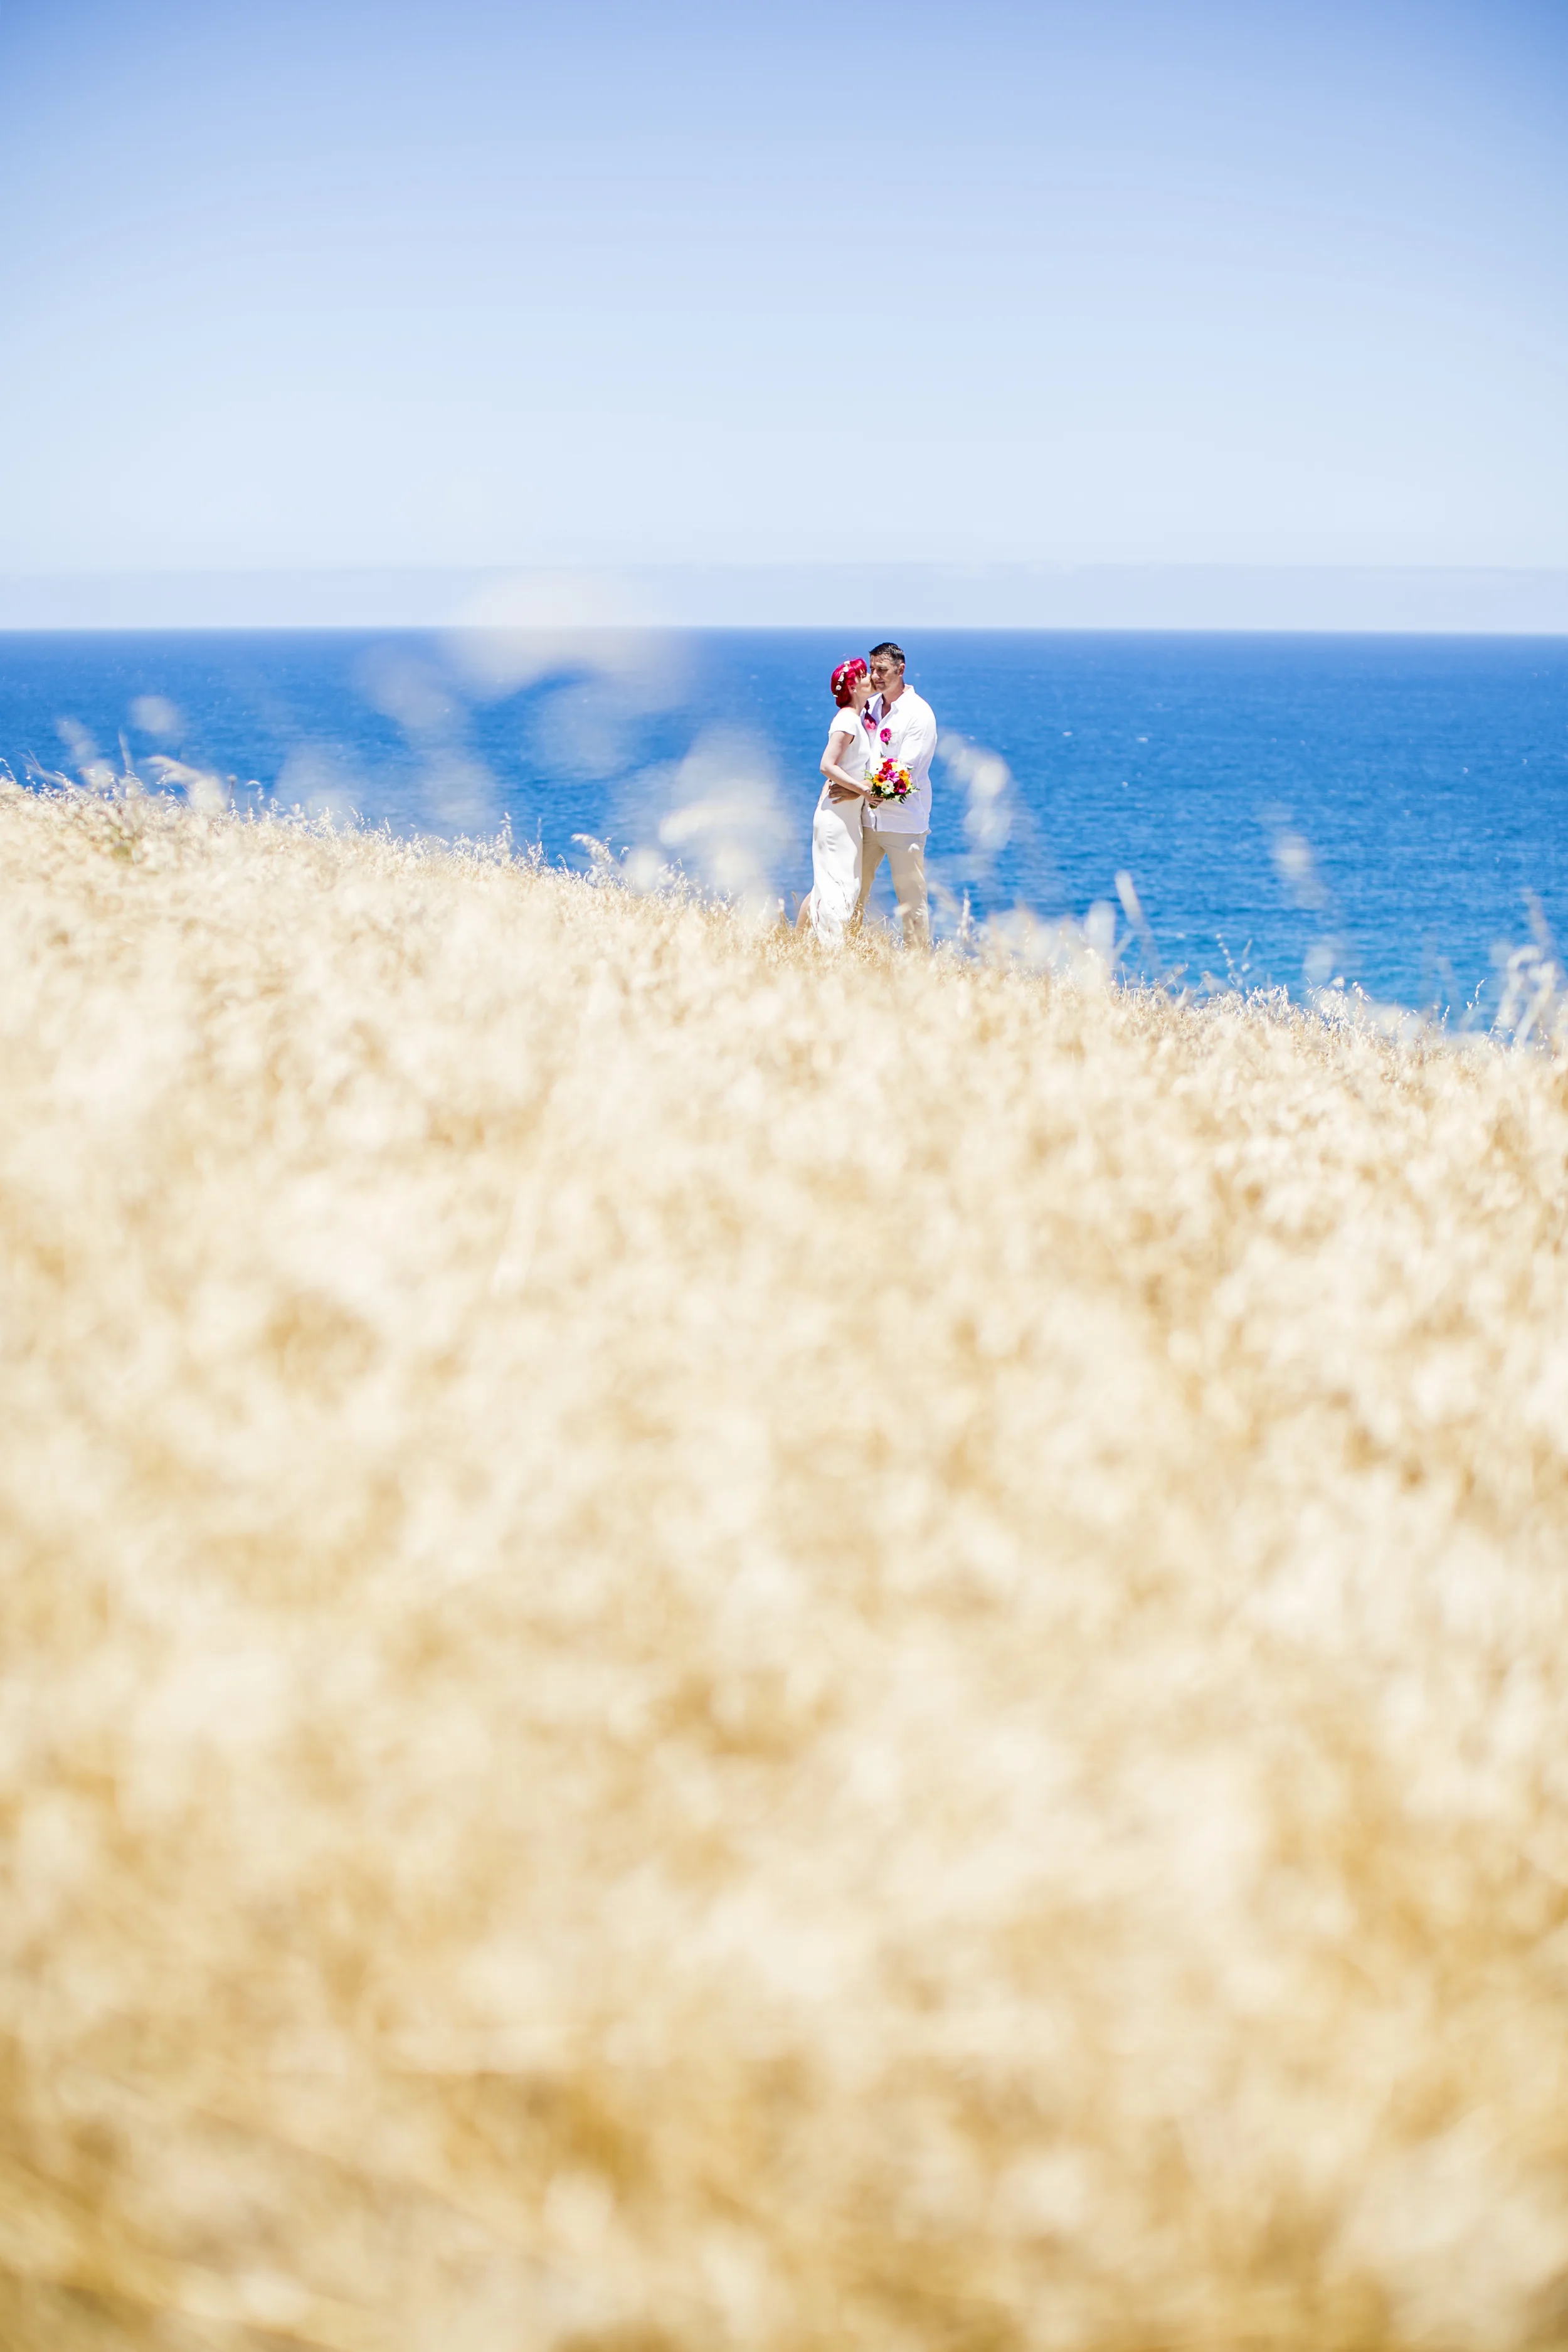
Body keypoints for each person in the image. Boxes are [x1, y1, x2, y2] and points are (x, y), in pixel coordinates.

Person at [854, 641, 936, 949]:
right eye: (872, 669)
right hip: (866, 819)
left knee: (911, 900)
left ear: (901, 670)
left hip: (903, 823)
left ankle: (916, 966)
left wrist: (868, 790)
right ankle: (847, 949)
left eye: (883, 670)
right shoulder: (870, 707)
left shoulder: (919, 714)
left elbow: (907, 770)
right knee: (854, 890)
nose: (875, 676)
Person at [797, 655, 877, 948]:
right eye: (865, 674)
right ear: (855, 685)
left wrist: (859, 790)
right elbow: (827, 765)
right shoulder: (846, 720)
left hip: (845, 815)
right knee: (840, 886)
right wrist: (865, 791)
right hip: (837, 819)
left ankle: (800, 944)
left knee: (831, 884)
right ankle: (833, 951)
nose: (872, 677)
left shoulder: (855, 719)